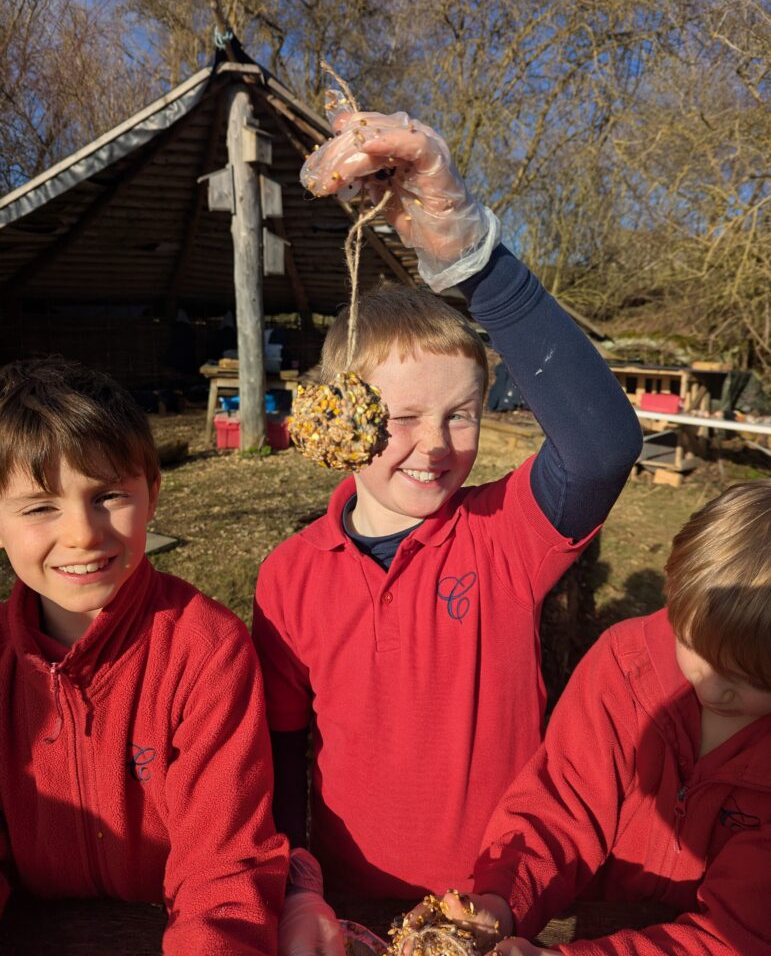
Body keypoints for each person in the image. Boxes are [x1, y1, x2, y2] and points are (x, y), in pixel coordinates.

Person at [251, 109, 642, 948]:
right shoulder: (289, 574)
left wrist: (471, 258)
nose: (433, 448)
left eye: (460, 416)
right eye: (398, 418)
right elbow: (284, 756)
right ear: (337, 419)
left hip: (503, 902)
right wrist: (296, 885)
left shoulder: (502, 534)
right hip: (347, 907)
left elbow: (604, 447)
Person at [0, 358, 288, 955]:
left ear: (152, 495)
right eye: (39, 507)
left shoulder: (207, 651)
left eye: (108, 495)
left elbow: (226, 867)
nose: (82, 533)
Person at [421, 479, 771, 956]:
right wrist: (503, 899)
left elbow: (740, 933)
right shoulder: (626, 666)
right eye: (693, 644)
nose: (712, 686)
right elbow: (563, 803)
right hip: (595, 918)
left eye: (748, 679)